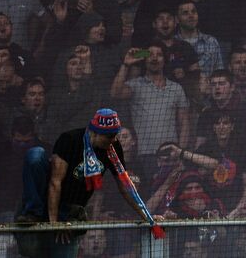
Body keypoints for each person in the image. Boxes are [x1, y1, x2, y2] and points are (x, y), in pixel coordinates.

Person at [14, 109, 156, 258]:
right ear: (95, 133)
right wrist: (54, 224)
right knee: (35, 154)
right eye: (109, 136)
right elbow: (55, 183)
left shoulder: (113, 148)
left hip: (69, 211)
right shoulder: (70, 140)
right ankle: (32, 213)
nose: (114, 140)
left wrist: (147, 216)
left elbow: (126, 187)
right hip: (46, 202)